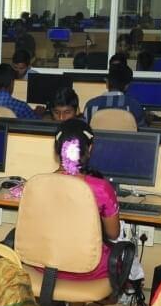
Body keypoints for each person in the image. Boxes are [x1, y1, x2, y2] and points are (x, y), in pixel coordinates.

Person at [33, 120, 118, 280]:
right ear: (90, 148)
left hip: (45, 267)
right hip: (88, 270)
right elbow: (113, 234)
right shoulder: (101, 188)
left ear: (57, 150)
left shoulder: (36, 184)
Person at [83, 63, 145, 127]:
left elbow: (84, 130)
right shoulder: (134, 106)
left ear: (107, 83)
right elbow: (142, 132)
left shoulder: (90, 105)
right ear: (127, 86)